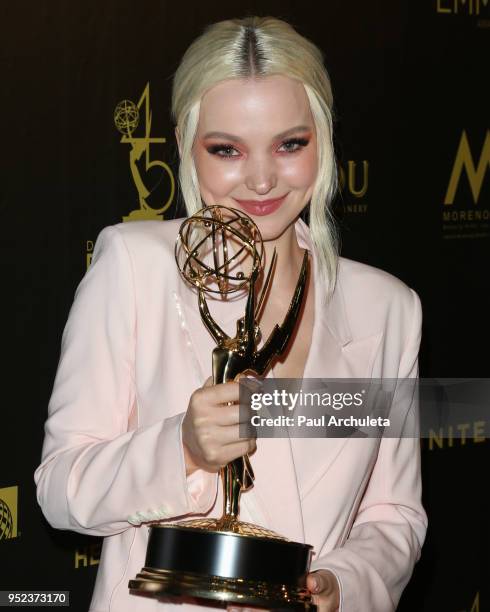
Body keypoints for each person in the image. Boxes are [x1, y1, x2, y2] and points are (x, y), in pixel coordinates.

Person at [34, 15, 427, 612]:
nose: (263, 178)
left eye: (290, 144)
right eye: (227, 150)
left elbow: (393, 514)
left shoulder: (386, 308)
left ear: (323, 139)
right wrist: (182, 449)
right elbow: (61, 489)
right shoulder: (136, 266)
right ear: (188, 147)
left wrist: (341, 583)